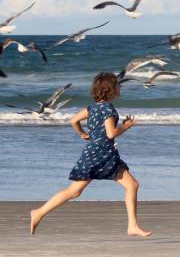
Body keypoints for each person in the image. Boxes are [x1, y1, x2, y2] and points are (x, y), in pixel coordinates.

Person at [30, 72, 151, 237]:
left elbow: (73, 120)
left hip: (97, 152)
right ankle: (38, 212)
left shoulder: (92, 108)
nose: (120, 86)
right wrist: (126, 126)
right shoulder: (108, 108)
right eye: (118, 84)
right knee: (78, 191)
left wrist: (82, 133)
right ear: (110, 88)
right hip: (102, 154)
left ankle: (132, 226)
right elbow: (110, 134)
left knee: (126, 186)